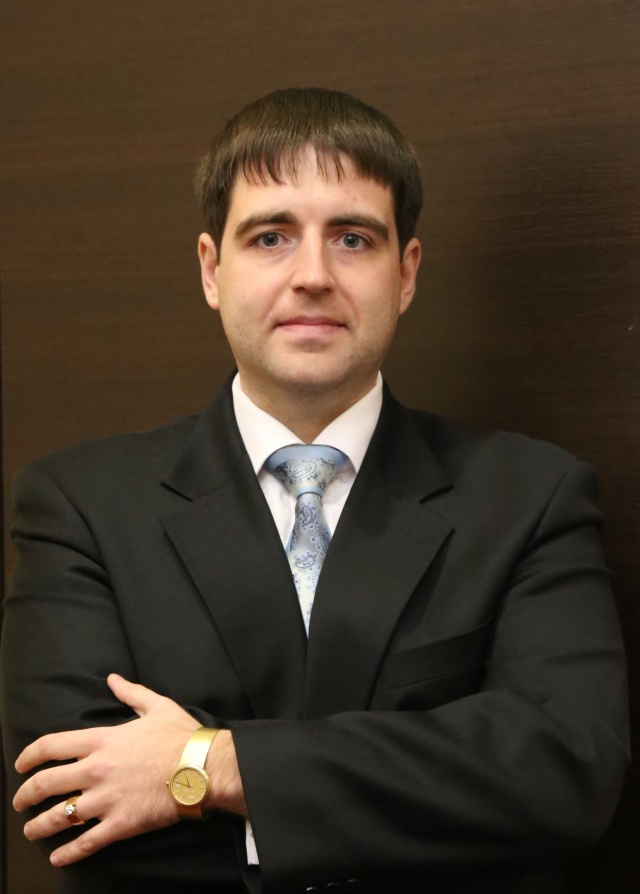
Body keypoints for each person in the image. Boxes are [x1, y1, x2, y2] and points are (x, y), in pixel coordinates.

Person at [1, 87, 629, 894]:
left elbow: (564, 775)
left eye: (353, 239)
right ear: (211, 270)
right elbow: (72, 807)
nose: (312, 276)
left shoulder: (531, 497)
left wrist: (210, 765)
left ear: (406, 273)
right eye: (270, 237)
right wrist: (424, 799)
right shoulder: (79, 505)